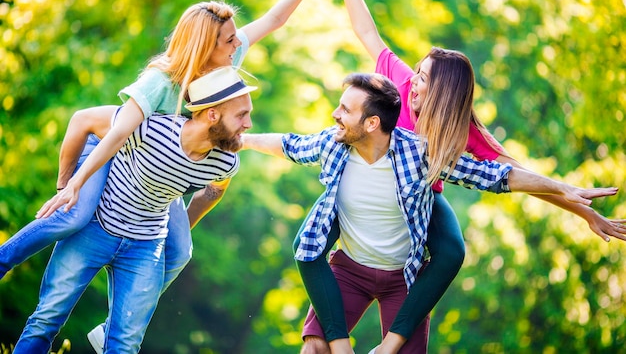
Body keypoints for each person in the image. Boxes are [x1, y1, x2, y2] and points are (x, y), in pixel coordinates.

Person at [0, 0, 343, 351]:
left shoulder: (225, 74)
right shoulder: (163, 82)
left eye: (235, 38)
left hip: (168, 174)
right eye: (229, 40)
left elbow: (274, 19)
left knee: (179, 251)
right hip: (114, 151)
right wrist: (72, 181)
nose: (238, 43)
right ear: (205, 46)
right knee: (72, 218)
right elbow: (109, 131)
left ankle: (113, 324)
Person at [296, 0, 626, 354]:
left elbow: (520, 180)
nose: (412, 82)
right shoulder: (399, 86)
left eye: (423, 78)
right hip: (363, 191)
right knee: (318, 239)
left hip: (418, 200)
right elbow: (367, 30)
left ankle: (394, 338)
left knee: (451, 249)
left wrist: (585, 211)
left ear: (443, 94)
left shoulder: (462, 132)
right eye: (415, 72)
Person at [242, 72, 618, 354]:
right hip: (349, 272)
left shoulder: (419, 154)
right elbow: (289, 144)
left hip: (401, 280)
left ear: (372, 123)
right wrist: (240, 139)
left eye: (345, 109)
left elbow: (493, 175)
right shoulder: (333, 144)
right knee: (315, 348)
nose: (334, 114)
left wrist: (564, 189)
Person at [12, 66, 256, 353]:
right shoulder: (150, 128)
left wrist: (183, 226)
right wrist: (66, 185)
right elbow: (84, 121)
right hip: (94, 230)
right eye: (241, 115)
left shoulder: (225, 162)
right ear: (212, 115)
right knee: (46, 321)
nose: (249, 124)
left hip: (144, 249)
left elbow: (214, 191)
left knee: (124, 346)